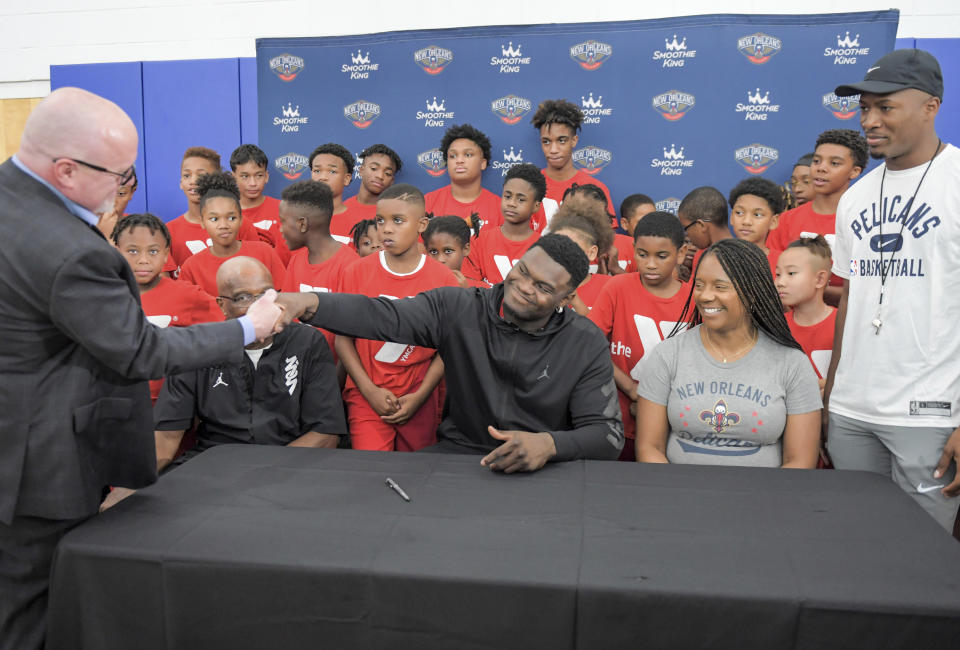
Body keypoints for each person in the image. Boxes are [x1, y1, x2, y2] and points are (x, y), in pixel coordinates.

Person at [0, 87, 281, 650]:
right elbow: (140, 351)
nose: (124, 187)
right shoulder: (66, 247)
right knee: (32, 605)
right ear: (65, 169)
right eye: (118, 174)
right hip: (41, 462)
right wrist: (249, 327)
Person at [276, 233, 624, 471]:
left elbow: (606, 436)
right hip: (459, 457)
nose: (523, 288)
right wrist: (309, 302)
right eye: (522, 272)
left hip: (544, 469)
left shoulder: (585, 340)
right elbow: (383, 315)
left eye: (543, 287)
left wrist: (549, 446)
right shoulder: (459, 307)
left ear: (566, 299)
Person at [824, 48, 960, 531]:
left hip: (929, 414)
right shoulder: (856, 195)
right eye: (864, 108)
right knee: (861, 550)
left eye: (886, 107)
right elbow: (850, 302)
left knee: (927, 564)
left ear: (931, 106)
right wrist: (831, 396)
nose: (870, 121)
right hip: (851, 411)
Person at [635, 238, 821, 467]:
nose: (704, 296)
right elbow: (649, 448)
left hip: (762, 498)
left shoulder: (792, 364)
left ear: (752, 292)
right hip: (681, 494)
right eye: (700, 285)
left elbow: (800, 462)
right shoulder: (667, 355)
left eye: (720, 287)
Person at [155, 257, 347, 469]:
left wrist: (262, 472)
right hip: (215, 466)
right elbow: (166, 437)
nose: (258, 307)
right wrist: (126, 492)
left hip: (289, 466)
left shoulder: (307, 343)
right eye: (243, 297)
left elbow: (326, 434)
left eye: (266, 295)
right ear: (222, 305)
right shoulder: (200, 347)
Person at [336, 184, 458, 452]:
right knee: (371, 474)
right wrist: (368, 391)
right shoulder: (355, 272)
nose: (386, 229)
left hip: (419, 398)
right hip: (367, 395)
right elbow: (342, 340)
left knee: (416, 477)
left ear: (422, 224)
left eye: (398, 221)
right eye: (381, 221)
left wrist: (420, 396)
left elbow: (448, 350)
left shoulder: (445, 280)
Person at [588, 211, 689, 460]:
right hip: (617, 422)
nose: (650, 264)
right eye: (642, 255)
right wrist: (631, 389)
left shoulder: (695, 299)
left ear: (682, 254)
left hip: (675, 428)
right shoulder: (617, 288)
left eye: (661, 256)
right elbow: (590, 346)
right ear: (633, 250)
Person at [112, 213, 224, 403]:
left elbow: (222, 334)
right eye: (133, 251)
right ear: (116, 252)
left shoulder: (188, 295)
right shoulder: (104, 296)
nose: (143, 260)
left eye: (153, 251)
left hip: (173, 405)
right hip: (119, 403)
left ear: (166, 255)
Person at [770, 130, 868, 306]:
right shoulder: (786, 221)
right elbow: (772, 282)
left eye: (834, 163)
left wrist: (813, 289)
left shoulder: (866, 223)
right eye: (817, 161)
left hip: (850, 324)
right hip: (791, 326)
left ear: (854, 172)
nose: (821, 168)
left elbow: (867, 290)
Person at [279, 180, 359, 356]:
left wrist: (336, 381)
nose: (280, 229)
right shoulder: (296, 261)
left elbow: (351, 336)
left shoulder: (350, 266)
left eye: (283, 222)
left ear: (302, 224)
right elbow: (287, 319)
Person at [178, 172, 286, 296]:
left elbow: (284, 298)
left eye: (231, 218)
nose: (223, 225)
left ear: (241, 219)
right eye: (214, 219)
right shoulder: (191, 267)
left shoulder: (264, 253)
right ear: (202, 222)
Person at [165, 146, 259, 272]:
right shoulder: (169, 231)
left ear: (215, 178)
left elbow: (256, 265)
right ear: (181, 182)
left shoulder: (241, 224)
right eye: (187, 175)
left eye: (201, 175)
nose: (193, 181)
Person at [529, 98, 613, 232]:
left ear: (574, 141)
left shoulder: (595, 189)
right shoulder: (528, 186)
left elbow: (605, 242)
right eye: (546, 142)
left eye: (561, 141)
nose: (553, 149)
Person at [463, 163, 543, 285]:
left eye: (521, 199)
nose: (511, 203)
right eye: (507, 196)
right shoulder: (478, 242)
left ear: (536, 206)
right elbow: (469, 288)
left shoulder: (544, 248)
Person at [776, 236, 836, 385]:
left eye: (791, 273)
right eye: (778, 274)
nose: (780, 282)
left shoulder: (843, 324)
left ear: (820, 279)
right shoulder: (777, 327)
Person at [424, 124, 502, 230]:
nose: (459, 160)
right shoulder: (427, 203)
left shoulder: (500, 208)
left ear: (483, 163)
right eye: (453, 156)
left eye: (468, 155)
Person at [548, 194, 614, 313]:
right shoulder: (544, 284)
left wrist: (574, 298)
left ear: (592, 252)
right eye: (559, 244)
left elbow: (597, 330)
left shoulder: (608, 286)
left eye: (572, 246)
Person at [230, 143, 290, 264]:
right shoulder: (226, 214)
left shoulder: (284, 210)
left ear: (266, 176)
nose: (253, 183)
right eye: (245, 176)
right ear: (233, 178)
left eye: (259, 175)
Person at [563, 183, 629, 273]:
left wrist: (616, 269)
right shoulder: (555, 249)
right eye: (566, 210)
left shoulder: (631, 246)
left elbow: (642, 287)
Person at [728, 177, 784, 276]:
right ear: (732, 217)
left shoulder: (783, 262)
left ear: (773, 222)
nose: (746, 221)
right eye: (739, 213)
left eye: (757, 215)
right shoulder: (716, 258)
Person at [676, 186, 732, 274]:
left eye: (686, 228)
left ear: (701, 225)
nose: (687, 234)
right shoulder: (700, 255)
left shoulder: (740, 259)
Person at [309, 142, 357, 244]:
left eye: (332, 171)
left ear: (346, 179)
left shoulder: (358, 223)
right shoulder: (296, 219)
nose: (322, 177)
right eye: (317, 171)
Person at [424, 215, 485, 289]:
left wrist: (466, 294)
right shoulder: (418, 286)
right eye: (433, 252)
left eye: (448, 251)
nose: (440, 259)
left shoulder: (481, 291)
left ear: (466, 249)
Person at [344, 143, 402, 219]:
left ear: (392, 181)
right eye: (374, 168)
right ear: (361, 170)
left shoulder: (396, 215)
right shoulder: (342, 209)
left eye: (387, 173)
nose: (380, 176)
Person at [94, 168, 138, 239]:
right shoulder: (74, 228)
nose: (112, 202)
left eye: (120, 193)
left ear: (132, 192)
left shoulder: (150, 230)